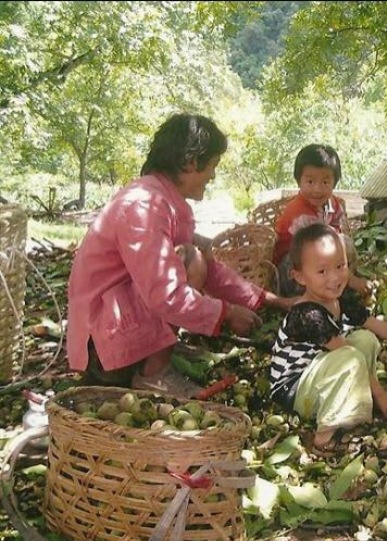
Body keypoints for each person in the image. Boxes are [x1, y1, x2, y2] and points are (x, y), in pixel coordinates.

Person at [67, 113, 294, 399]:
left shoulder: (162, 199)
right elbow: (167, 294)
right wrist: (226, 313)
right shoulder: (144, 207)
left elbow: (213, 271)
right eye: (212, 165)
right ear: (190, 162)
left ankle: (155, 351)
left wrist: (272, 301)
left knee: (197, 255)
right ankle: (154, 374)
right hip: (103, 349)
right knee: (191, 258)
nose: (212, 175)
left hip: (117, 328)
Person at [268, 223, 387, 456]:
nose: (334, 277)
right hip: (293, 389)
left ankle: (356, 402)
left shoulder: (341, 302)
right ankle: (325, 437)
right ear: (299, 277)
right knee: (350, 354)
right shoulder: (308, 315)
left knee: (365, 338)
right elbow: (347, 352)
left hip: (315, 377)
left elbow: (383, 329)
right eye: (322, 271)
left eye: (340, 266)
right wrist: (381, 393)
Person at [272, 144, 370, 298]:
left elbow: (338, 234)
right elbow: (315, 252)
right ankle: (325, 290)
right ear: (299, 181)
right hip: (293, 269)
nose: (317, 189)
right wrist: (350, 279)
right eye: (310, 182)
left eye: (325, 182)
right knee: (329, 249)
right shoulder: (299, 214)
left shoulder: (334, 204)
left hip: (320, 261)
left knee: (344, 242)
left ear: (334, 182)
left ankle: (338, 281)